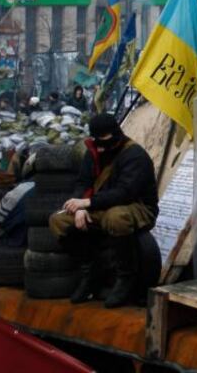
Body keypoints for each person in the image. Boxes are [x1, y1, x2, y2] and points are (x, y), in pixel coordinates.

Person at [48, 113, 159, 308]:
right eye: (98, 141)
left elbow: (125, 192)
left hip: (138, 206)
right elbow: (83, 182)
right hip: (100, 204)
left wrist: (88, 204)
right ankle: (91, 272)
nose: (102, 146)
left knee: (115, 217)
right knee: (59, 221)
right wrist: (80, 205)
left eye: (106, 140)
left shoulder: (135, 156)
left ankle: (126, 277)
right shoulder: (92, 153)